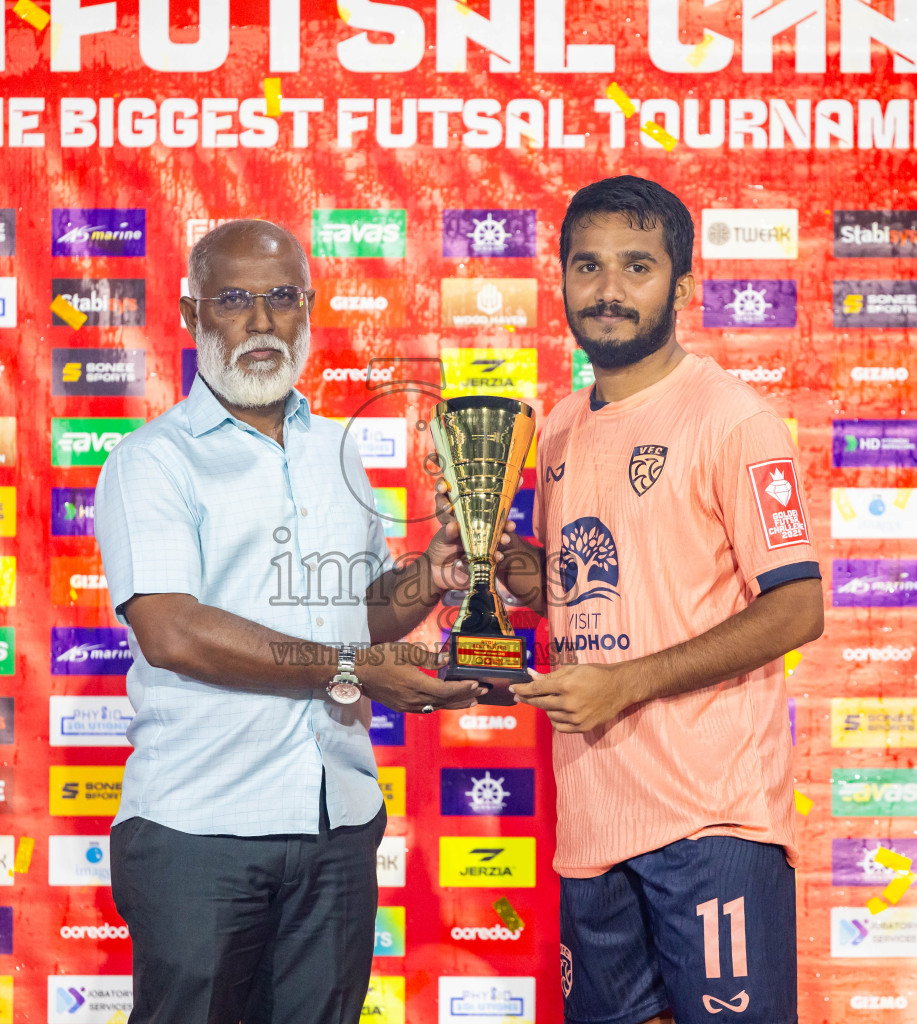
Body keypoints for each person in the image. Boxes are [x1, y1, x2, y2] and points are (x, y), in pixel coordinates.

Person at [94, 219, 496, 1024]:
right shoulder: (152, 460)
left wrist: (436, 573)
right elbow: (173, 630)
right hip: (197, 831)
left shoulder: (338, 452)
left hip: (334, 823)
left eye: (281, 298)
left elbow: (362, 612)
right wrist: (349, 668)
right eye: (234, 300)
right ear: (191, 314)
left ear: (308, 307)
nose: (262, 322)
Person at [498, 176, 825, 1023]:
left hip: (711, 819)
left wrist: (629, 682)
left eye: (636, 267)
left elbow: (797, 608)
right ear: (561, 278)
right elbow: (605, 582)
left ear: (681, 287)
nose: (607, 290)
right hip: (595, 822)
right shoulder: (559, 425)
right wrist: (515, 576)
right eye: (588, 266)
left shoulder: (735, 421)